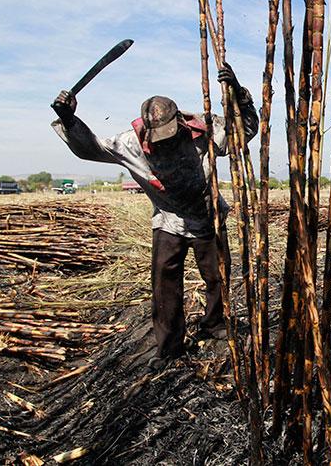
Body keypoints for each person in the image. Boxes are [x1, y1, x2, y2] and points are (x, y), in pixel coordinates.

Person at [50, 64, 258, 369]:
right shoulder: (128, 144)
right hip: (168, 218)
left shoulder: (201, 129)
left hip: (206, 215)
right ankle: (169, 346)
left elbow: (243, 133)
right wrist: (69, 120)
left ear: (179, 121)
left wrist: (240, 96)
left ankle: (214, 324)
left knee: (218, 276)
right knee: (164, 285)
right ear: (146, 129)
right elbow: (89, 148)